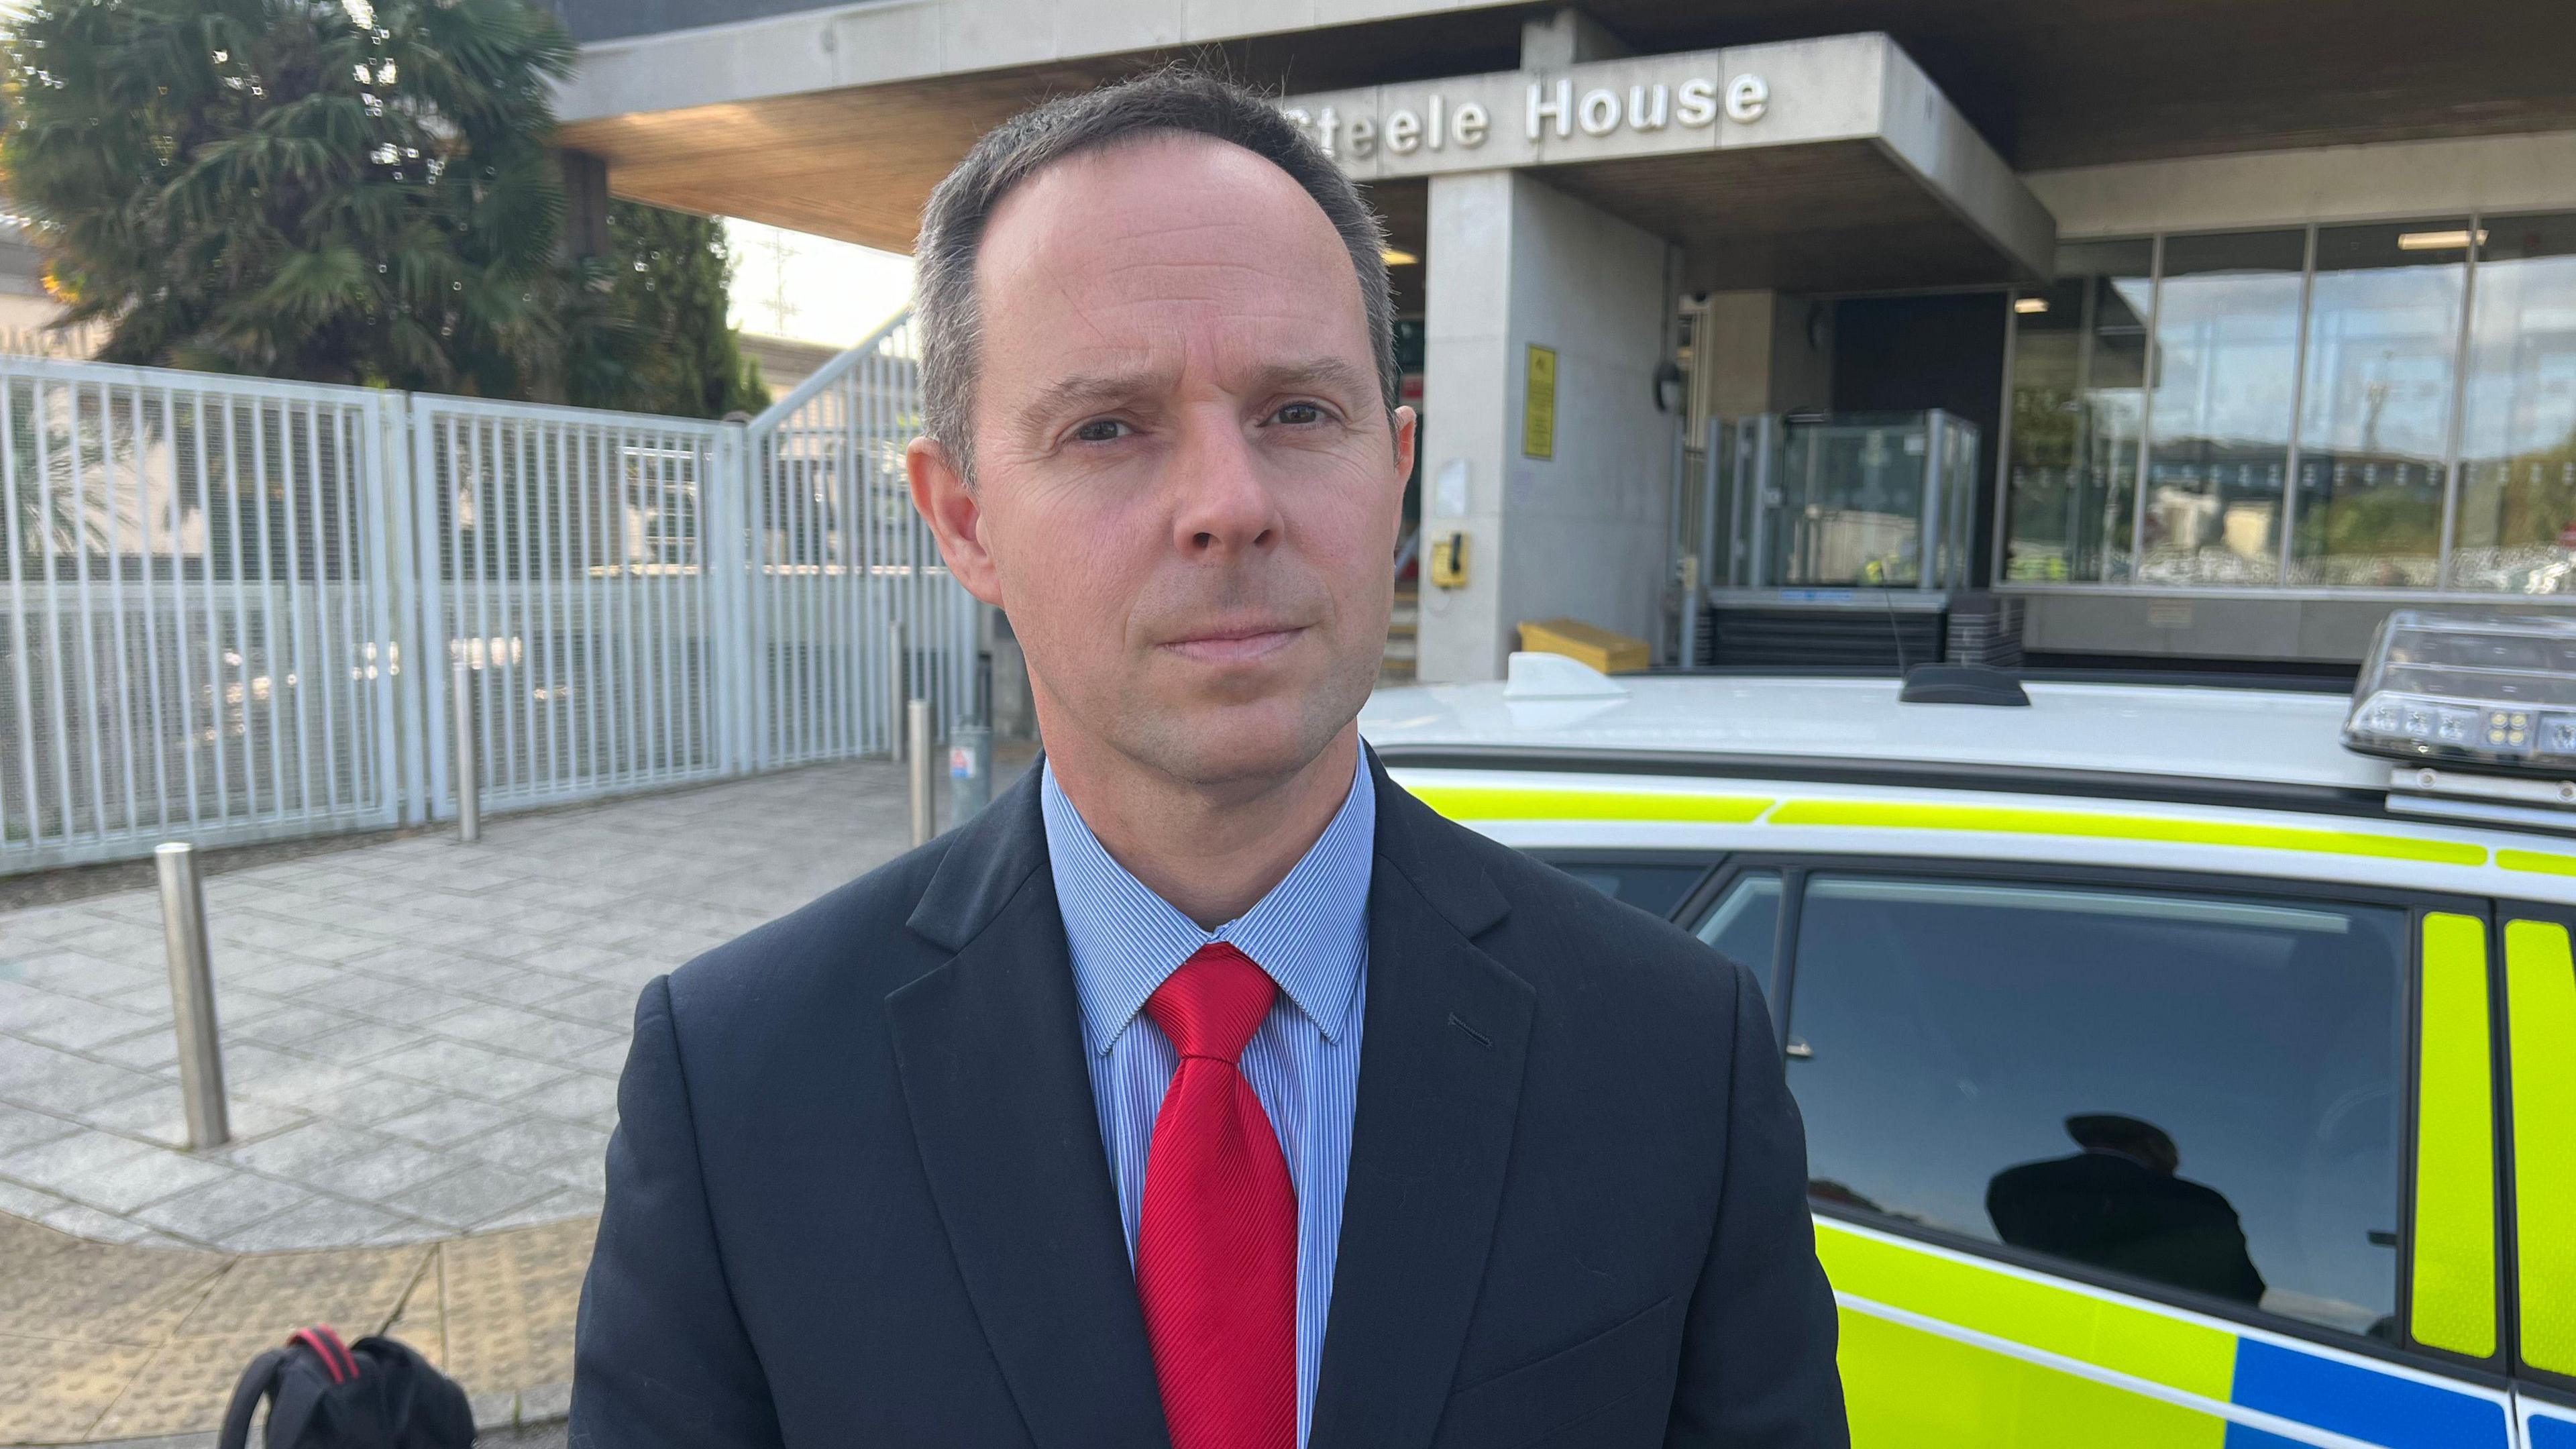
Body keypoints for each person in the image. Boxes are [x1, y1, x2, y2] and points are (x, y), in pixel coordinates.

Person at [570, 69, 1845, 1449]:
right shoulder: (741, 1085)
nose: (1231, 506)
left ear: (1395, 466)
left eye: (1299, 412)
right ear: (965, 519)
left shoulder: (1672, 1060)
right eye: (1108, 426)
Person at [1986, 1113, 2267, 1305]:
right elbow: (2244, 1291)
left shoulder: (2016, 1183)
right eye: (2174, 1154)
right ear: (2151, 1148)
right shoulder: (2199, 1203)